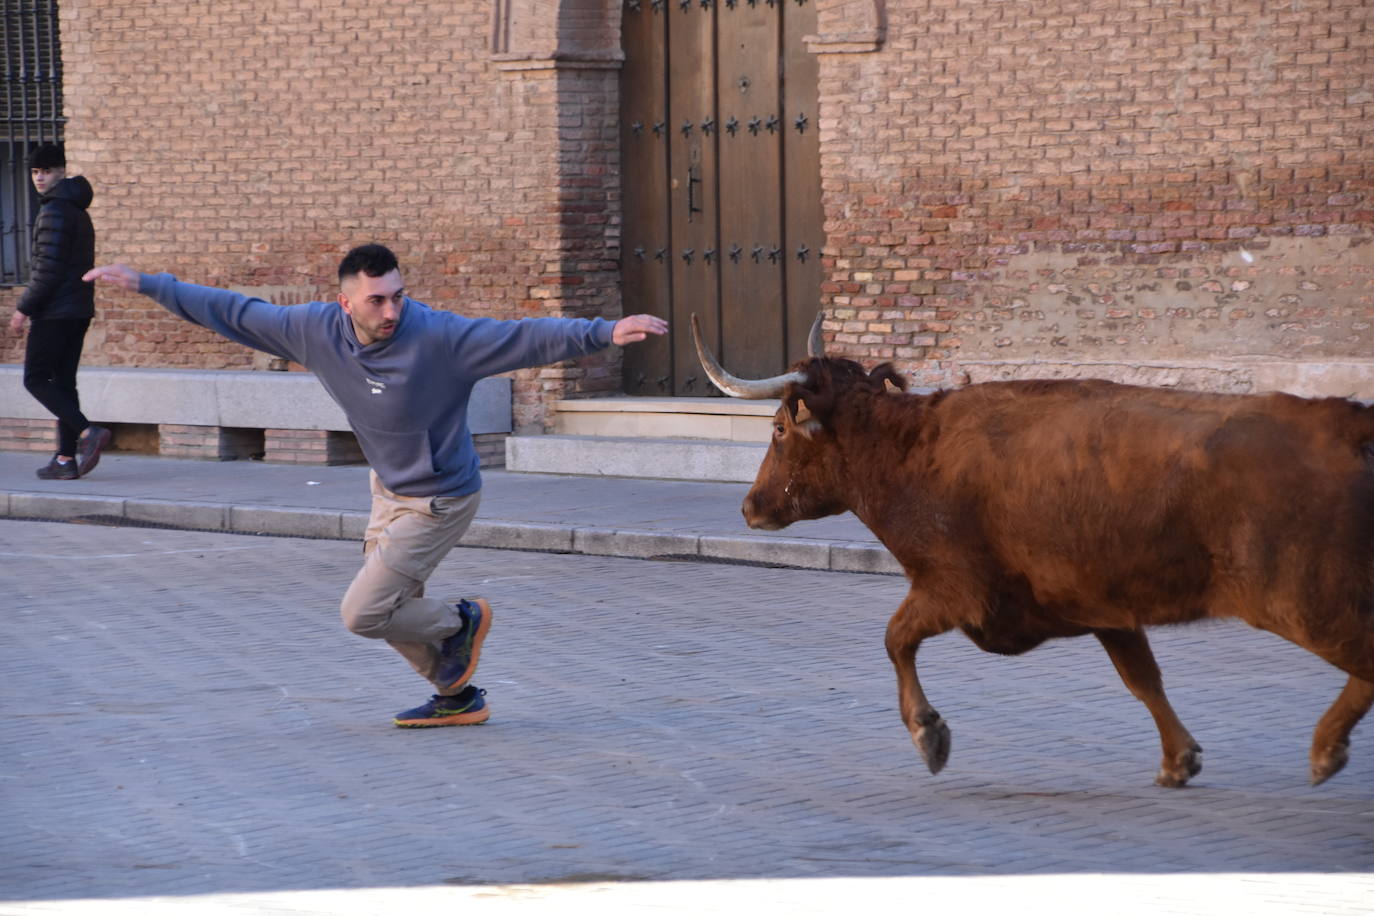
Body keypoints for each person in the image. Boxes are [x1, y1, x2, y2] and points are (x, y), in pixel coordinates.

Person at [85, 244, 668, 727]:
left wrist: (604, 331)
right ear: (346, 303)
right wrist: (150, 284)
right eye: (377, 300)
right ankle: (457, 698)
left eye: (398, 296)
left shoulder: (439, 338)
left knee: (364, 612)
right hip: (386, 491)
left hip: (441, 497)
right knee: (391, 606)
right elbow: (234, 312)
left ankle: (461, 620)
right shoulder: (313, 330)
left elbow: (522, 337)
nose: (391, 310)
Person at [8, 142, 110, 479]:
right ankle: (66, 460)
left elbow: (47, 270)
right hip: (78, 309)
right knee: (64, 383)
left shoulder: (54, 211)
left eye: (47, 171)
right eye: (35, 172)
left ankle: (88, 431)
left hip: (55, 311)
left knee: (36, 378)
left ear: (61, 171)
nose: (39, 178)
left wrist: (23, 309)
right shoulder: (77, 209)